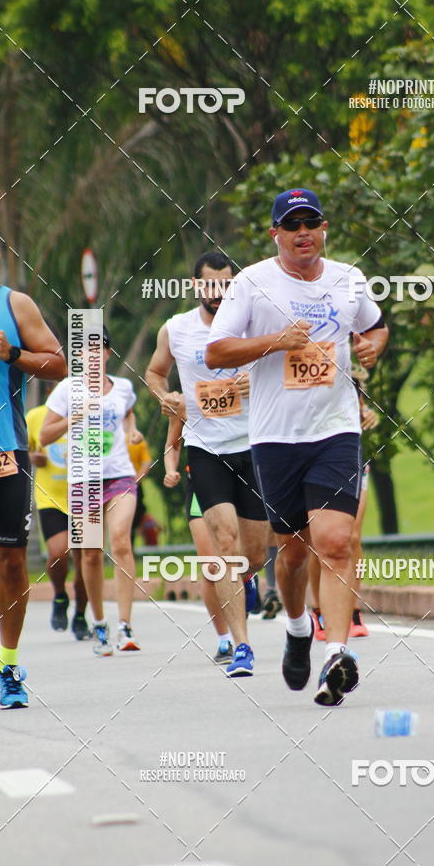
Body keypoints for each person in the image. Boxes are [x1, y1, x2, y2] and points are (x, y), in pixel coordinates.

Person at [206, 188, 388, 706]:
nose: (303, 232)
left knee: (335, 541)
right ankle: (296, 627)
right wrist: (275, 342)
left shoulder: (348, 278)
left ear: (324, 228)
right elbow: (217, 351)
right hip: (275, 437)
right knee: (291, 552)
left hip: (336, 429)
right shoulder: (252, 283)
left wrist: (374, 346)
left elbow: (374, 327)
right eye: (292, 225)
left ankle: (336, 654)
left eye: (312, 223)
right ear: (276, 234)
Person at [146, 251, 268, 678]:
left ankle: (248, 582)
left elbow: (284, 365)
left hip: (255, 445)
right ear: (196, 285)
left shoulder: (254, 323)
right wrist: (167, 398)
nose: (219, 293)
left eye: (227, 284)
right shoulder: (176, 329)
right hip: (205, 447)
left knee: (253, 553)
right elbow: (155, 373)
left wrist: (259, 380)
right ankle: (242, 646)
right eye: (211, 285)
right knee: (225, 542)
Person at [40, 326, 143, 656]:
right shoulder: (66, 390)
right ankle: (99, 623)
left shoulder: (123, 387)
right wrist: (74, 418)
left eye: (100, 349)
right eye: (86, 350)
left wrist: (133, 430)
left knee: (122, 542)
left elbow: (127, 413)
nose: (93, 355)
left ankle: (125, 625)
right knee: (90, 552)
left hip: (119, 475)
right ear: (79, 356)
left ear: (109, 354)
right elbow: (44, 436)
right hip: (83, 478)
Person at [0, 284, 67, 708]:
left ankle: (8, 666)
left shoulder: (14, 304)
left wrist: (13, 355)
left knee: (11, 560)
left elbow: (59, 364)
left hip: (6, 450)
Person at [309, 364, 381, 640]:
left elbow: (360, 409)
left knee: (352, 538)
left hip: (352, 458)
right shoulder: (306, 374)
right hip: (315, 460)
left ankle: (352, 608)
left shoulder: (351, 378)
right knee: (320, 541)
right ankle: (319, 610)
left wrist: (368, 414)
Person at [163, 413, 235, 664]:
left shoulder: (246, 384)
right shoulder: (186, 398)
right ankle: (224, 640)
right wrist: (170, 469)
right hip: (201, 483)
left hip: (241, 476)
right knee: (211, 566)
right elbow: (172, 443)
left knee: (244, 558)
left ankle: (247, 583)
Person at [26, 400, 90, 639]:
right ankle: (60, 594)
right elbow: (24, 450)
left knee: (87, 559)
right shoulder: (36, 416)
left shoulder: (90, 410)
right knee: (58, 553)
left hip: (85, 497)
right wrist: (34, 457)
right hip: (50, 498)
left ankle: (81, 615)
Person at [127, 434, 153, 547]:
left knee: (135, 517)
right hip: (111, 486)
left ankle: (129, 547)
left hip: (134, 486)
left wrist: (135, 481)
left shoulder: (138, 440)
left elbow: (147, 463)